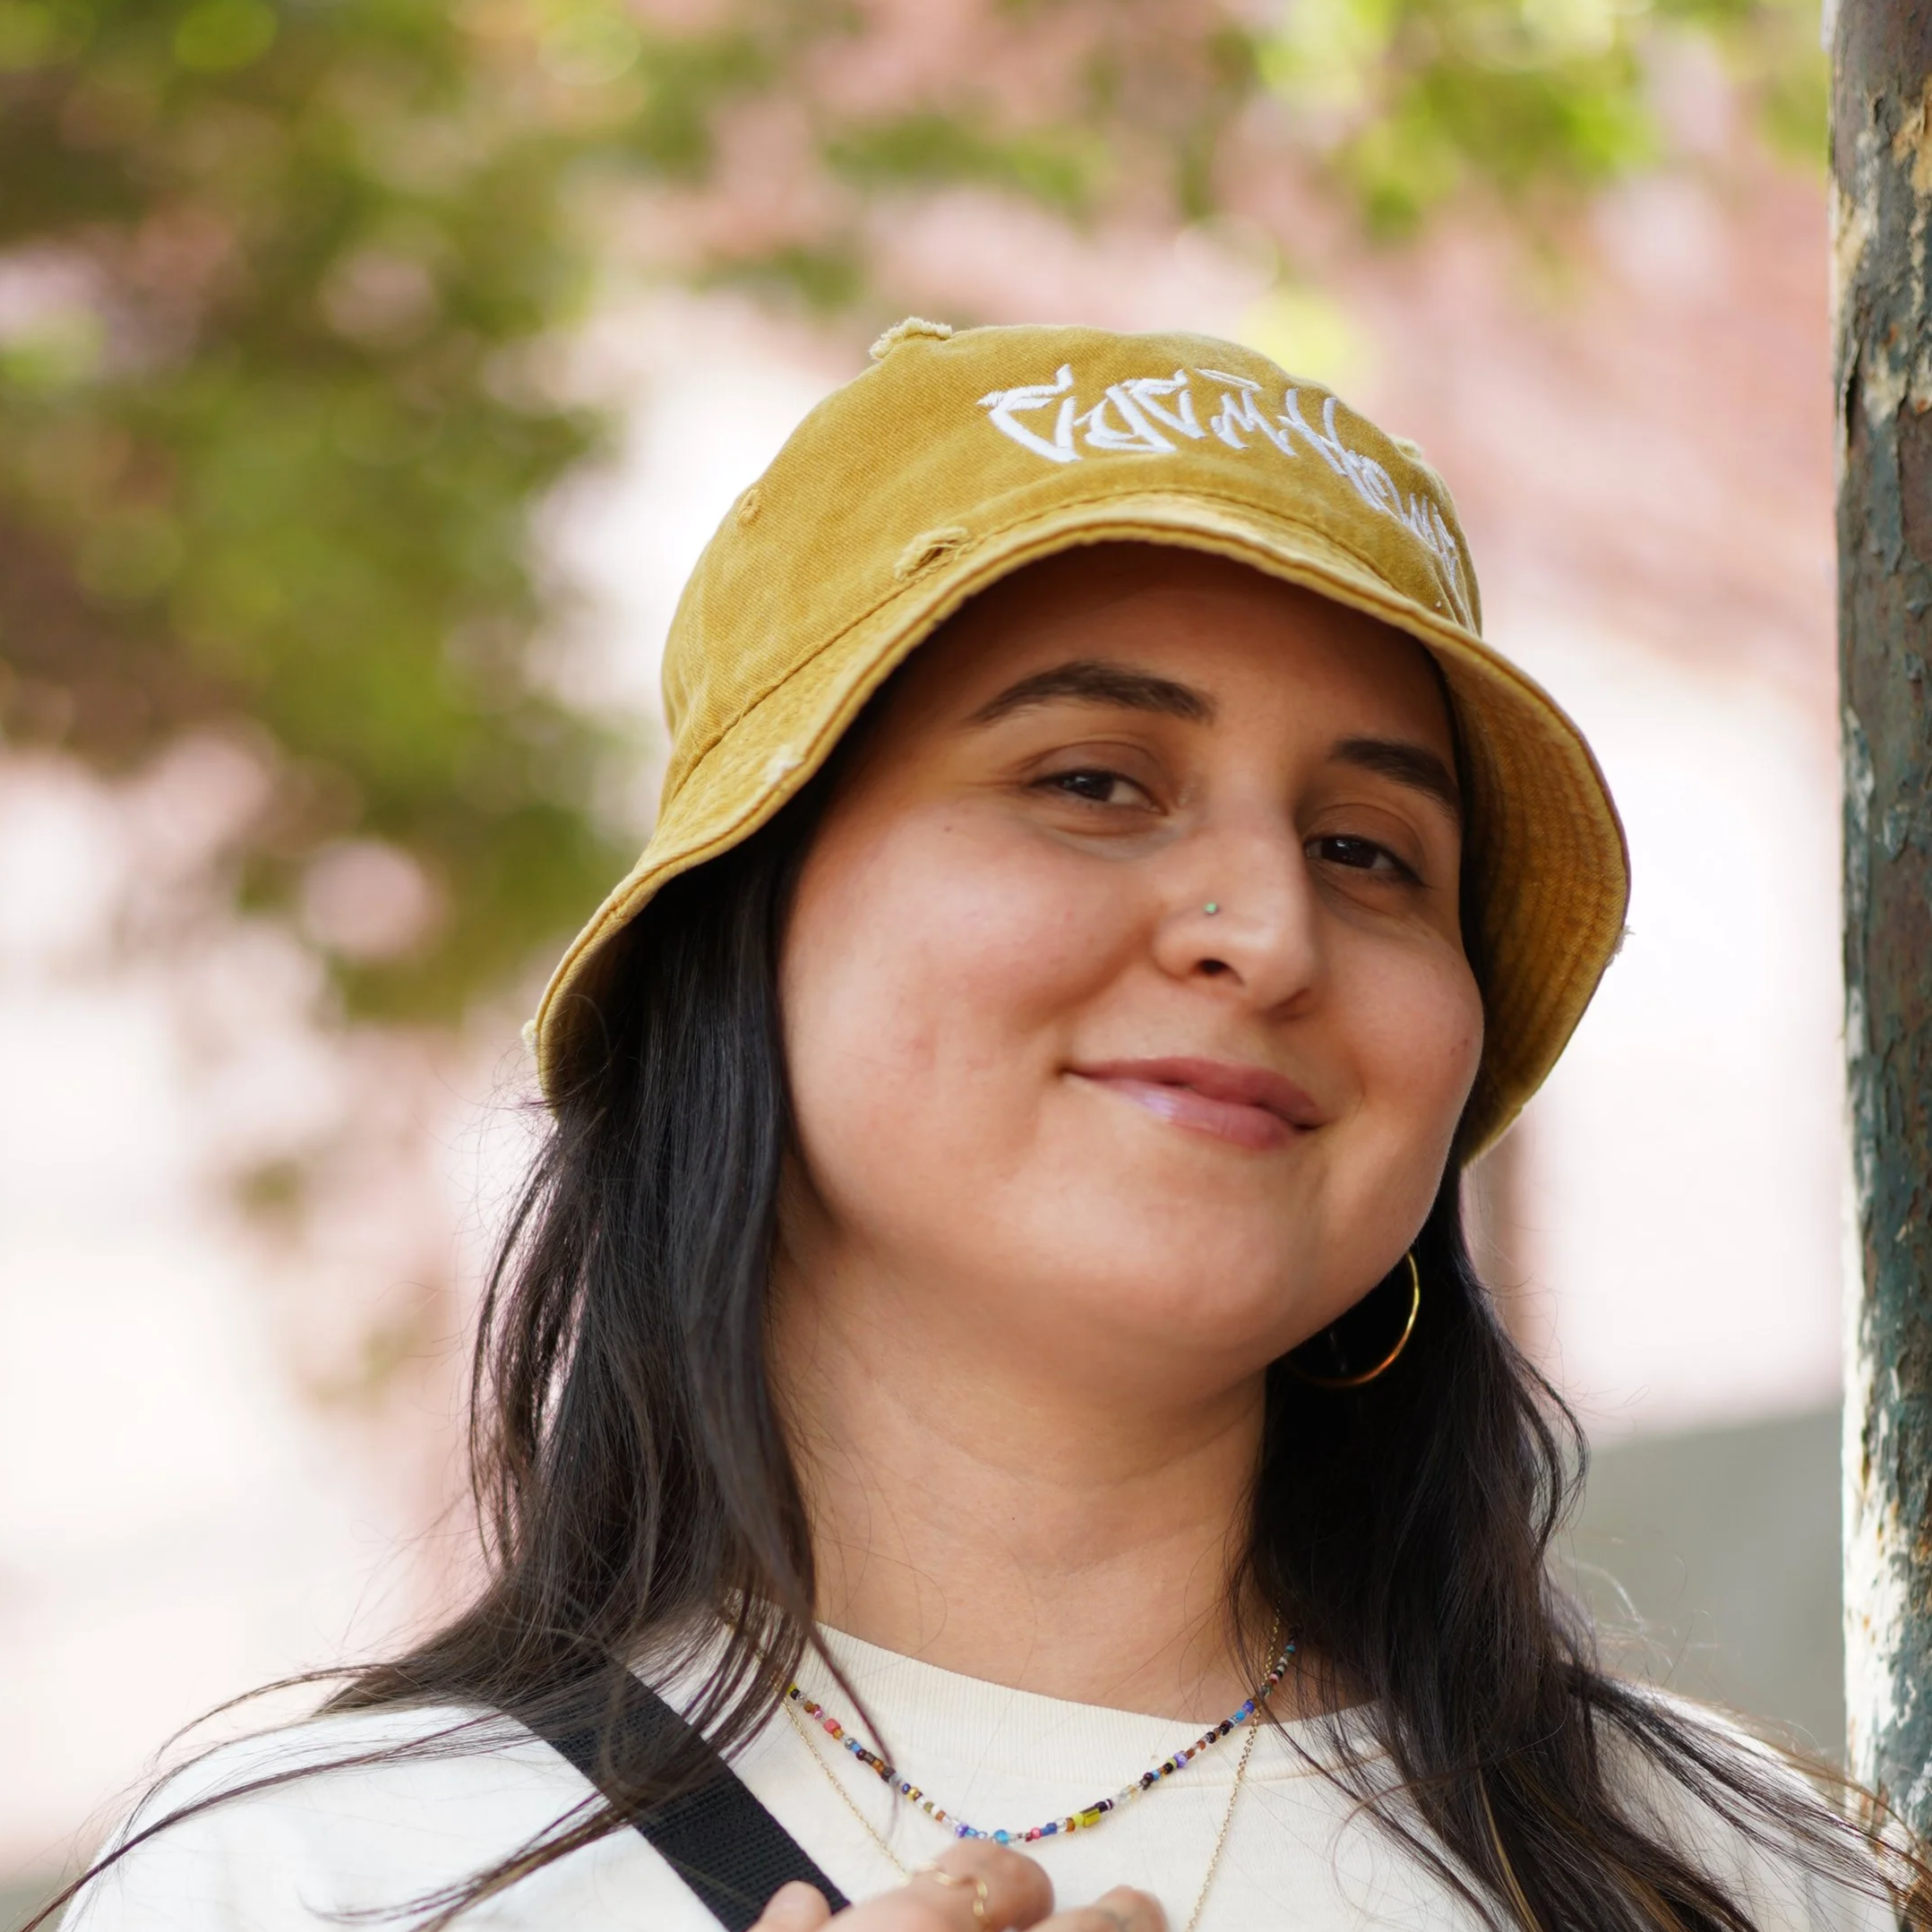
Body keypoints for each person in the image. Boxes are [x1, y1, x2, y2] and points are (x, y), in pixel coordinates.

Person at [54, 321, 1917, 1932]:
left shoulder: (1751, 1879)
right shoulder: (317, 1881)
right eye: (1091, 781)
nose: (1264, 933)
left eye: (1368, 851)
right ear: (745, 929)